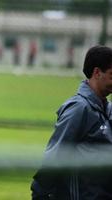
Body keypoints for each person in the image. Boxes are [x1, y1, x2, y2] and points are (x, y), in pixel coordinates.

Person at [31, 45, 112, 200]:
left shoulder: (107, 109)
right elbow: (56, 154)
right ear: (97, 73)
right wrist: (39, 194)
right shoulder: (78, 109)